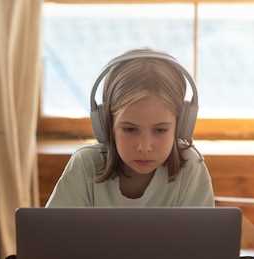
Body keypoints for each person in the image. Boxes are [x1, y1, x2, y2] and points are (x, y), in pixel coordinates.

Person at [46, 48, 214, 208]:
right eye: (130, 129)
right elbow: (52, 235)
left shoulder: (191, 167)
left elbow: (203, 238)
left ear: (181, 125)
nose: (144, 147)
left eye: (160, 130)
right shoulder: (85, 165)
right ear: (107, 124)